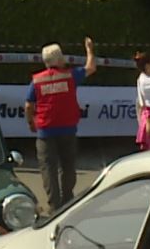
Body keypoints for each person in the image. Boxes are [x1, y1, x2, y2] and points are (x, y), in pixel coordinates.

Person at [25, 37, 97, 213]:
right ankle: (67, 200)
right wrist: (89, 49)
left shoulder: (37, 80)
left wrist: (31, 122)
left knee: (48, 169)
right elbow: (91, 67)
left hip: (45, 130)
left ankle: (54, 206)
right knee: (68, 166)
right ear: (59, 58)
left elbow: (28, 105)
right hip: (68, 129)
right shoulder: (70, 75)